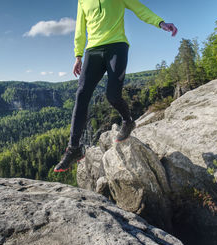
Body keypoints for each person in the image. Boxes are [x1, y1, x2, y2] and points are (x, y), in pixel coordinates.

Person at [54, 0, 177, 172]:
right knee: (81, 95)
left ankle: (128, 121)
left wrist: (160, 22)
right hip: (93, 50)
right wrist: (78, 55)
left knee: (112, 95)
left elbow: (139, 9)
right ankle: (74, 149)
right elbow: (80, 29)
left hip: (116, 47)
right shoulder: (82, 1)